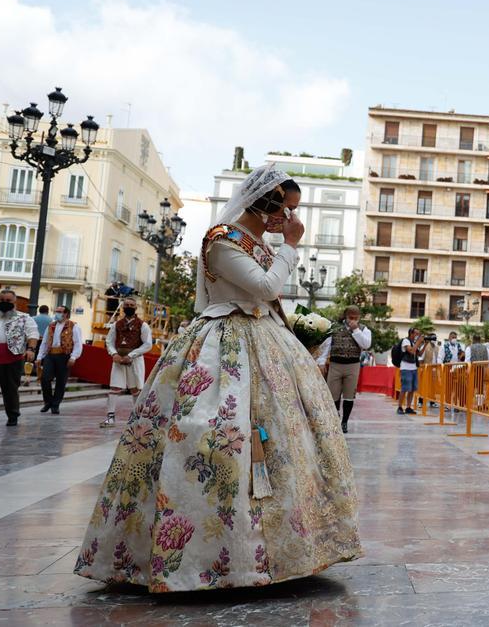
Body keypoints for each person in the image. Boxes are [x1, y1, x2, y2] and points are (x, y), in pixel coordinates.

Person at [74, 164, 361, 592]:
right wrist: (291, 248)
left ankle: (281, 549)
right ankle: (206, 558)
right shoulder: (222, 240)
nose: (291, 220)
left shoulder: (259, 244)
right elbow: (263, 288)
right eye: (287, 209)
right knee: (213, 439)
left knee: (286, 445)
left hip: (266, 342)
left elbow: (268, 296)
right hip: (224, 343)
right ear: (265, 205)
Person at [0, 289, 39, 428]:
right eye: (2, 300)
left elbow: (32, 334)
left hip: (12, 361)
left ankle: (12, 416)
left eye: (8, 301)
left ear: (14, 302)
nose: (4, 303)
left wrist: (31, 349)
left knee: (10, 390)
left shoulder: (24, 318)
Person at [316, 305, 372, 434]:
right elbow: (327, 346)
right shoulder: (334, 328)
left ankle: (345, 421)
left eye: (356, 318)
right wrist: (321, 361)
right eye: (350, 318)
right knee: (333, 393)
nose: (353, 320)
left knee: (349, 395)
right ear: (345, 316)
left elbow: (366, 344)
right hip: (336, 364)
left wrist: (356, 330)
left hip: (353, 365)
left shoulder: (364, 329)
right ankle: (335, 418)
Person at [101, 297, 152, 428]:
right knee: (114, 387)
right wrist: (114, 354)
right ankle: (110, 417)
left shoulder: (143, 325)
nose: (129, 306)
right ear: (123, 307)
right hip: (118, 360)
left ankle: (136, 419)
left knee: (135, 389)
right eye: (127, 305)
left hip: (135, 361)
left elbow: (148, 345)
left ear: (136, 308)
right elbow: (109, 341)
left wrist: (131, 355)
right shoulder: (116, 324)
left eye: (131, 305)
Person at [37, 304, 83, 414]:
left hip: (65, 356)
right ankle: (48, 401)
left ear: (66, 314)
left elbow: (78, 343)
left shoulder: (74, 326)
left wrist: (73, 357)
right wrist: (39, 357)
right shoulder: (51, 325)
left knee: (61, 381)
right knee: (45, 378)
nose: (57, 313)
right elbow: (44, 342)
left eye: (59, 311)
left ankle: (55, 404)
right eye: (56, 311)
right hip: (50, 354)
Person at [397, 328, 421, 415]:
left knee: (412, 389)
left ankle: (408, 407)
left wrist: (425, 344)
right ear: (411, 333)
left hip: (414, 367)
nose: (417, 336)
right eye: (416, 334)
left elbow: (420, 353)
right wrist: (418, 342)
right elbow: (411, 351)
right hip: (405, 367)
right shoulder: (405, 341)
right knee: (405, 388)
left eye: (418, 334)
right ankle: (399, 407)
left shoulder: (414, 343)